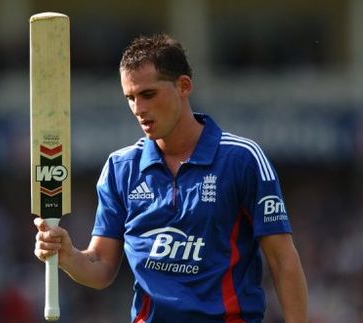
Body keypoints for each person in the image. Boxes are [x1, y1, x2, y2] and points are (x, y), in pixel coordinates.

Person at [34, 33, 308, 323]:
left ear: (183, 86)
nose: (138, 109)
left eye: (148, 94)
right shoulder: (121, 167)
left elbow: (283, 261)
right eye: (131, 98)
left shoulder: (243, 159)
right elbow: (101, 266)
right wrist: (68, 256)